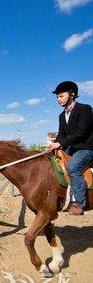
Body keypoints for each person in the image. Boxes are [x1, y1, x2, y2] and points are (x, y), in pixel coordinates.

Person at [48, 81, 93, 215]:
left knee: (73, 167)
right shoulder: (62, 116)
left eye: (61, 96)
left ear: (72, 94)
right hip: (72, 148)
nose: (58, 99)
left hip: (87, 148)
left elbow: (81, 133)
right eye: (57, 97)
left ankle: (79, 203)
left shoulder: (85, 109)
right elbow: (61, 135)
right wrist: (53, 145)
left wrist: (60, 144)